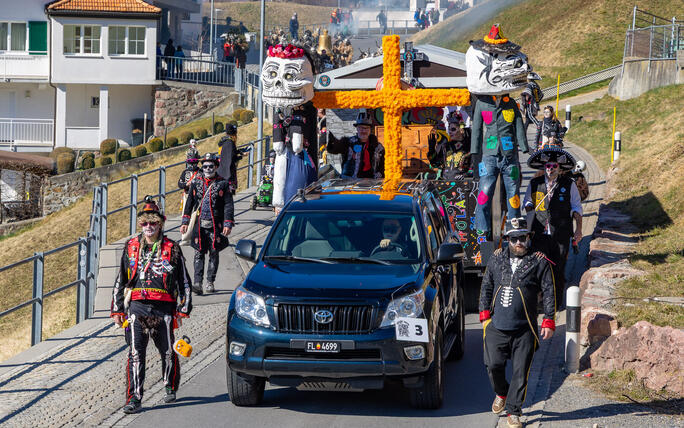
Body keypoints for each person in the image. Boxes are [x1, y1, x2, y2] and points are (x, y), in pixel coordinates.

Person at [110, 196, 192, 414]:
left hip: (163, 308)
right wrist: (117, 309)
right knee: (136, 354)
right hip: (137, 308)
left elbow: (184, 280)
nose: (148, 227)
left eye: (153, 223)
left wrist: (184, 307)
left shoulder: (172, 248)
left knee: (167, 351)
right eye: (145, 223)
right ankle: (134, 398)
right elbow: (120, 279)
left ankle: (169, 385)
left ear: (160, 223)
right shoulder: (131, 246)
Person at [479, 217, 556, 428]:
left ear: (528, 238)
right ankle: (501, 393)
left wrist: (548, 320)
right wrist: (485, 317)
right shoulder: (496, 259)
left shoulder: (539, 261)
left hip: (525, 328)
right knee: (492, 364)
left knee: (521, 372)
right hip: (496, 326)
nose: (518, 243)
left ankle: (514, 412)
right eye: (513, 239)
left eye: (522, 238)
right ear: (507, 240)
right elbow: (486, 286)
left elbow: (549, 290)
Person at [524, 146, 582, 309]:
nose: (550, 169)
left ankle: (555, 302)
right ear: (544, 167)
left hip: (561, 233)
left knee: (558, 267)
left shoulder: (569, 184)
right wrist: (529, 218)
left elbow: (577, 208)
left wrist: (578, 230)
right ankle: (540, 300)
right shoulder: (534, 183)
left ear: (560, 168)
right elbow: (527, 203)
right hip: (539, 233)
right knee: (539, 266)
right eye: (548, 166)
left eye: (554, 166)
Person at [180, 153, 234, 294]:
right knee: (198, 253)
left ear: (216, 167)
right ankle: (197, 283)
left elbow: (228, 204)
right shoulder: (196, 182)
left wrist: (228, 223)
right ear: (202, 167)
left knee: (214, 253)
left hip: (216, 225)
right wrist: (185, 221)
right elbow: (189, 203)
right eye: (205, 166)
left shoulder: (223, 183)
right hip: (199, 225)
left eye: (211, 166)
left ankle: (210, 282)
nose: (208, 169)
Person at [327, 111, 385, 179]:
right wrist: (332, 141)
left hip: (371, 181)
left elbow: (383, 165)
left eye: (366, 128)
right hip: (350, 181)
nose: (363, 131)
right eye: (361, 127)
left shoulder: (378, 147)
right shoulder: (348, 142)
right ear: (357, 128)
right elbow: (333, 150)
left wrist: (379, 177)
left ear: (370, 130)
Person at [217, 124, 242, 194]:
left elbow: (227, 154)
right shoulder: (230, 143)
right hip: (229, 173)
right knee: (228, 196)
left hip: (222, 171)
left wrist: (238, 151)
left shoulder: (224, 141)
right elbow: (232, 158)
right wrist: (242, 156)